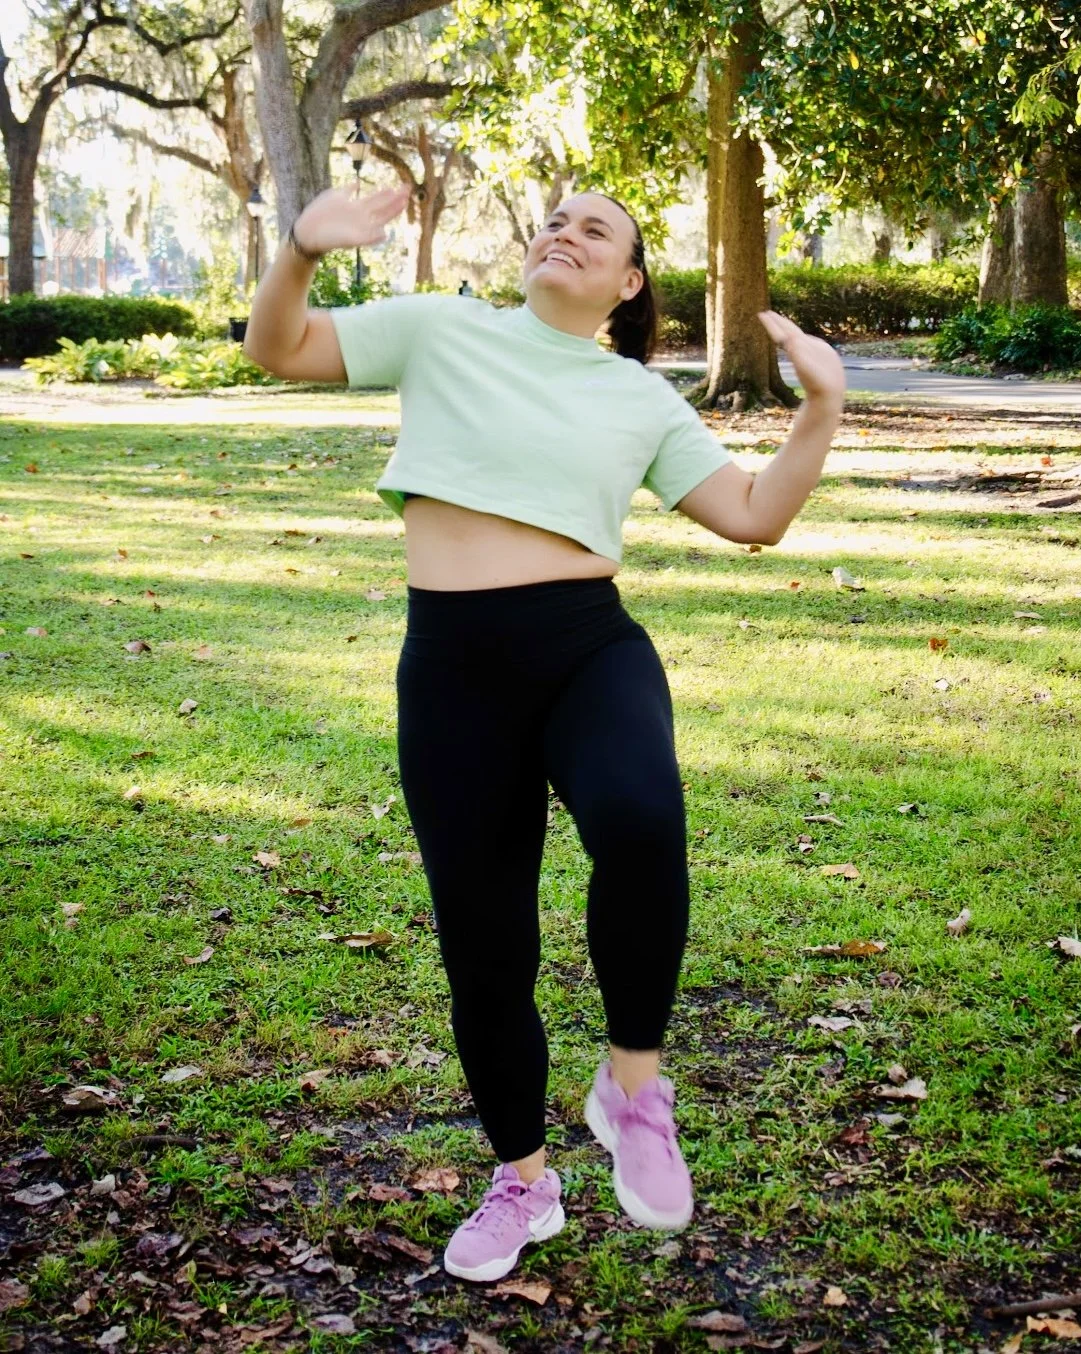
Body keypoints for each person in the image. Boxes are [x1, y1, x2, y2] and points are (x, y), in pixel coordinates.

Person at [243, 182, 845, 1285]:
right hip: (454, 673)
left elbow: (755, 516)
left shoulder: (639, 397)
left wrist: (821, 410)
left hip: (585, 649)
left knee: (640, 818)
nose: (566, 231)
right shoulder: (440, 329)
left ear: (627, 285)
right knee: (485, 946)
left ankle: (631, 1091)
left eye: (597, 229)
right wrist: (300, 249)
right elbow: (275, 347)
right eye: (556, 218)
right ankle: (524, 1179)